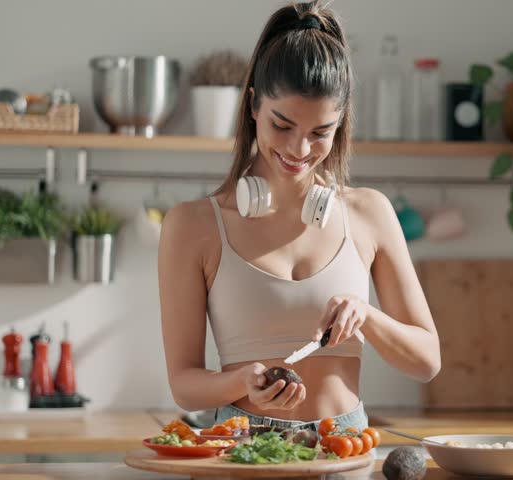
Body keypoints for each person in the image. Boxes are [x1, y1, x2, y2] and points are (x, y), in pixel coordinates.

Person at [158, 0, 440, 433]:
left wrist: (366, 314)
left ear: (340, 123)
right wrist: (242, 382)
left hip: (344, 444)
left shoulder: (370, 213)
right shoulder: (192, 225)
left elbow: (427, 361)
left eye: (319, 133)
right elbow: (184, 384)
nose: (299, 150)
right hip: (243, 449)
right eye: (283, 126)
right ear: (253, 106)